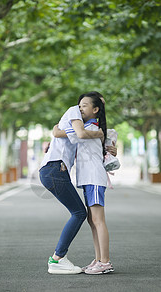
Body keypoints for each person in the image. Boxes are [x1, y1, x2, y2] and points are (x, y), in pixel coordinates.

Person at [53, 93, 115, 275]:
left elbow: (57, 131)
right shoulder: (92, 127)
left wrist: (58, 126)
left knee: (98, 220)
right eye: (79, 106)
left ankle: (105, 261)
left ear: (96, 110)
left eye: (84, 106)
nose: (79, 109)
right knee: (92, 220)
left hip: (94, 178)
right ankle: (98, 259)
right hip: (89, 179)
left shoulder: (89, 127)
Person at [39, 104, 104, 274]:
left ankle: (58, 258)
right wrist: (98, 134)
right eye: (83, 104)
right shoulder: (74, 111)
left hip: (55, 170)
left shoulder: (80, 124)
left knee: (79, 213)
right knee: (79, 213)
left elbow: (65, 133)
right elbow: (78, 134)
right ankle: (57, 258)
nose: (83, 109)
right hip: (54, 169)